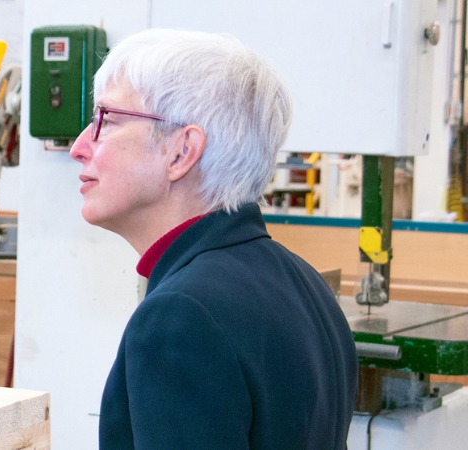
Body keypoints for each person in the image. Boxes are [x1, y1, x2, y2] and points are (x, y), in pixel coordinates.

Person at [69, 29, 358, 449]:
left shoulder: (179, 316)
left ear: (182, 152)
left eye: (106, 121)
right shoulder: (305, 283)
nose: (79, 146)